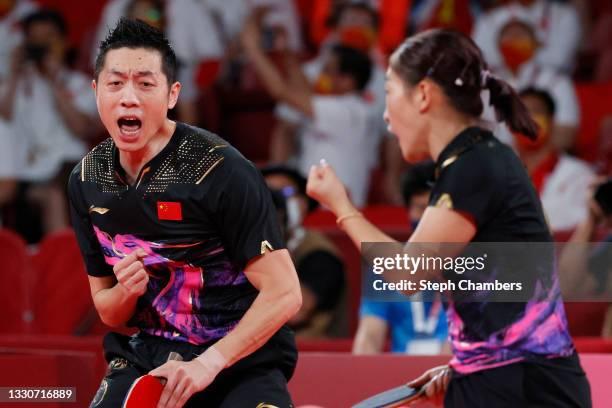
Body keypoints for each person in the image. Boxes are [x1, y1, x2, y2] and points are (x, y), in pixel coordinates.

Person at [306, 28, 591, 407]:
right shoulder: (474, 162)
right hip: (501, 378)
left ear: (423, 95)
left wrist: (340, 207)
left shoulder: (477, 165)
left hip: (526, 389)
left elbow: (408, 273)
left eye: (390, 94)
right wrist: (468, 363)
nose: (387, 117)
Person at [68, 18, 301, 408]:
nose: (129, 97)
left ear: (172, 94)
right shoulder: (86, 180)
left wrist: (208, 364)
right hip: (151, 354)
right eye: (115, 83)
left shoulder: (220, 170)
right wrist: (127, 290)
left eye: (145, 84)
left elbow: (285, 293)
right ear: (96, 91)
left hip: (236, 359)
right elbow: (108, 311)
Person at [242, 9, 377, 207]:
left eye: (328, 71)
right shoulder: (337, 103)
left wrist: (253, 49)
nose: (321, 76)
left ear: (347, 80)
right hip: (320, 206)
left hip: (335, 211)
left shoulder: (351, 112)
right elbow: (304, 91)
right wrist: (287, 55)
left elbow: (281, 91)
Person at [0, 9, 98, 242]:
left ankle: (63, 264)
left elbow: (82, 128)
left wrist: (54, 82)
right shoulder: (16, 84)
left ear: (63, 43)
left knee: (53, 195)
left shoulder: (79, 83)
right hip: (23, 172)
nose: (41, 46)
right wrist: (14, 73)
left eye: (48, 39)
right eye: (34, 40)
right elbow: (4, 115)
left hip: (68, 169)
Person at [353, 161, 448, 355]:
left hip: (453, 374)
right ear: (407, 211)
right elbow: (370, 335)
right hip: (400, 378)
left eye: (434, 209)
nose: (428, 218)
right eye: (421, 208)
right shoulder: (385, 268)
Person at [262, 164, 346, 337]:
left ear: (304, 202)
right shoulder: (234, 244)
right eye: (265, 193)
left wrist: (274, 244)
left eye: (285, 194)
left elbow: (296, 313)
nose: (274, 201)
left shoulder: (320, 252)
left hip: (310, 355)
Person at [483, 18, 580, 150]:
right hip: (495, 160)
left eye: (520, 35)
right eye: (508, 35)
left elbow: (565, 135)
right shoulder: (486, 83)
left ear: (536, 43)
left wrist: (531, 158)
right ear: (498, 45)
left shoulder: (557, 81)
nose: (514, 39)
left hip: (540, 162)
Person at [514, 87, 594, 231]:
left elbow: (585, 229)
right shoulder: (497, 174)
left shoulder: (579, 174)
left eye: (535, 111)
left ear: (551, 121)